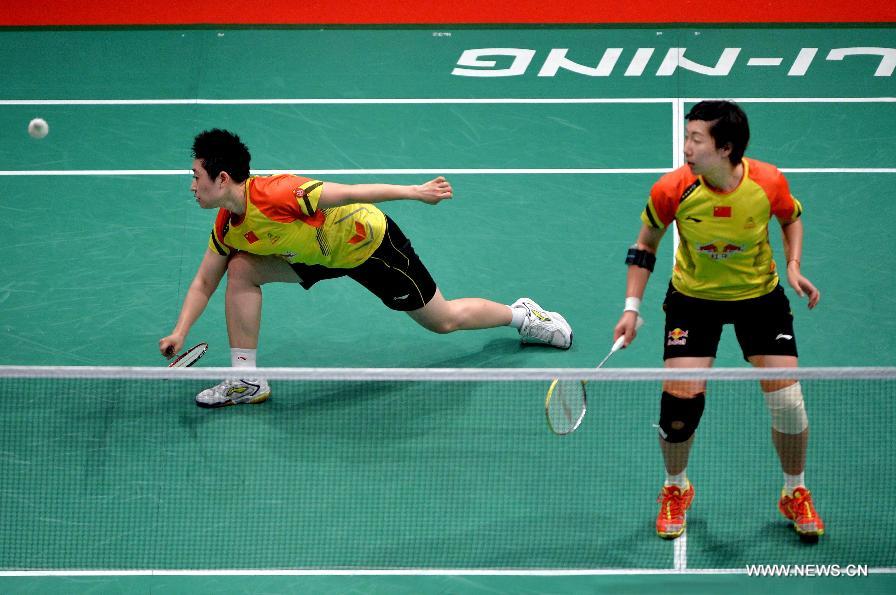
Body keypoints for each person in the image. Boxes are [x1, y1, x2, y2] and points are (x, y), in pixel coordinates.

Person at [160, 129, 572, 408]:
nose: (192, 185)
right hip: (314, 256)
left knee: (443, 321)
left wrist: (416, 192)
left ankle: (523, 315)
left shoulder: (279, 193)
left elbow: (351, 192)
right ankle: (247, 379)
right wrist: (180, 331)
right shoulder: (227, 227)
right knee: (240, 268)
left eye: (196, 176)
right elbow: (203, 281)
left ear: (223, 178)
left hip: (368, 245)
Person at [613, 101, 824, 541]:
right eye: (687, 136)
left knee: (788, 403)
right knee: (678, 409)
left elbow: (792, 217)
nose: (686, 146)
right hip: (694, 300)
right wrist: (632, 308)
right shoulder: (672, 189)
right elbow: (644, 246)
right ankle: (675, 487)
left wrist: (795, 265)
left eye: (696, 139)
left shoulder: (768, 182)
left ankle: (794, 490)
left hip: (759, 298)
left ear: (725, 148)